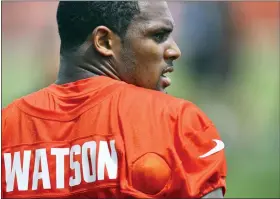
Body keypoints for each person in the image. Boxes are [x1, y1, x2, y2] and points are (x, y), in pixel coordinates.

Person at [2, 1, 226, 198]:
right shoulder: (178, 122)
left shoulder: (6, 128)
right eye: (158, 36)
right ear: (105, 41)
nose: (174, 50)